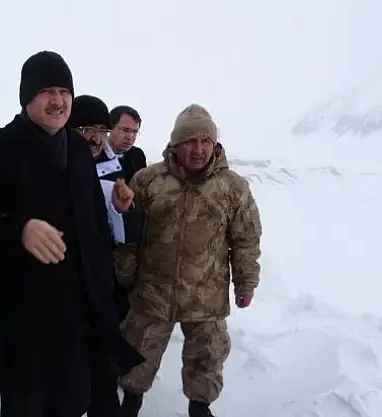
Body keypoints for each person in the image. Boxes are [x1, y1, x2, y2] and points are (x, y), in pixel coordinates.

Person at [0, 50, 144, 417]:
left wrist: (120, 210)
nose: (58, 101)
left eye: (64, 91)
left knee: (72, 403)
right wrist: (19, 227)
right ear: (27, 97)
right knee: (28, 405)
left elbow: (93, 220)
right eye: (47, 91)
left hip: (80, 310)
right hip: (28, 313)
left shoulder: (76, 146)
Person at [116, 104, 263, 417]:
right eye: (190, 142)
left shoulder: (232, 187)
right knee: (137, 351)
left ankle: (200, 407)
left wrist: (246, 282)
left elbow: (246, 239)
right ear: (175, 144)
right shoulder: (148, 181)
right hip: (153, 293)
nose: (198, 149)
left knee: (207, 357)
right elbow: (129, 235)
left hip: (206, 294)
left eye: (205, 141)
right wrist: (125, 274)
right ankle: (131, 401)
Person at [66, 94, 137, 417]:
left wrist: (123, 210)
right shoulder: (55, 165)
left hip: (101, 281)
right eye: (86, 129)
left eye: (100, 130)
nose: (95, 138)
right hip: (63, 284)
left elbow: (122, 233)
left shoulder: (113, 169)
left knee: (103, 366)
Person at [106, 106, 147, 182]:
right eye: (125, 130)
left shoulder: (137, 155)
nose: (130, 137)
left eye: (135, 132)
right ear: (110, 128)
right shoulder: (95, 153)